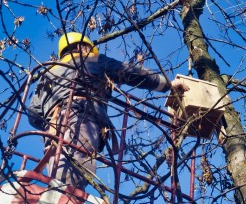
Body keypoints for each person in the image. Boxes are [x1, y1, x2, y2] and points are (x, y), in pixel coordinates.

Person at [28, 32, 189, 190]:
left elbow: (33, 114)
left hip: (52, 128)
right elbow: (128, 72)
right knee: (74, 182)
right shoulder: (91, 60)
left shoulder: (47, 74)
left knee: (58, 173)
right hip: (81, 118)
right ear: (80, 46)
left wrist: (52, 117)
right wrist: (167, 84)